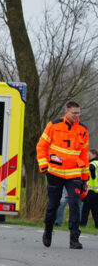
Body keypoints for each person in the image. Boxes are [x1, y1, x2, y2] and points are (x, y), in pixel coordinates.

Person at [37, 101, 89, 249]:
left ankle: (74, 238)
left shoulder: (83, 129)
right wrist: (44, 166)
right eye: (74, 113)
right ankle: (48, 230)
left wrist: (85, 178)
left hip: (74, 174)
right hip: (54, 172)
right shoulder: (54, 125)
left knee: (74, 204)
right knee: (54, 205)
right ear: (66, 111)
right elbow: (41, 146)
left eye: (78, 113)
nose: (77, 116)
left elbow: (84, 155)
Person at [80, 149, 98, 228]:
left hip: (91, 191)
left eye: (89, 154)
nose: (88, 155)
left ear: (94, 154)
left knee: (86, 209)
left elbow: (92, 167)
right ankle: (97, 226)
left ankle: (83, 225)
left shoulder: (94, 162)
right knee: (95, 210)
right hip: (96, 191)